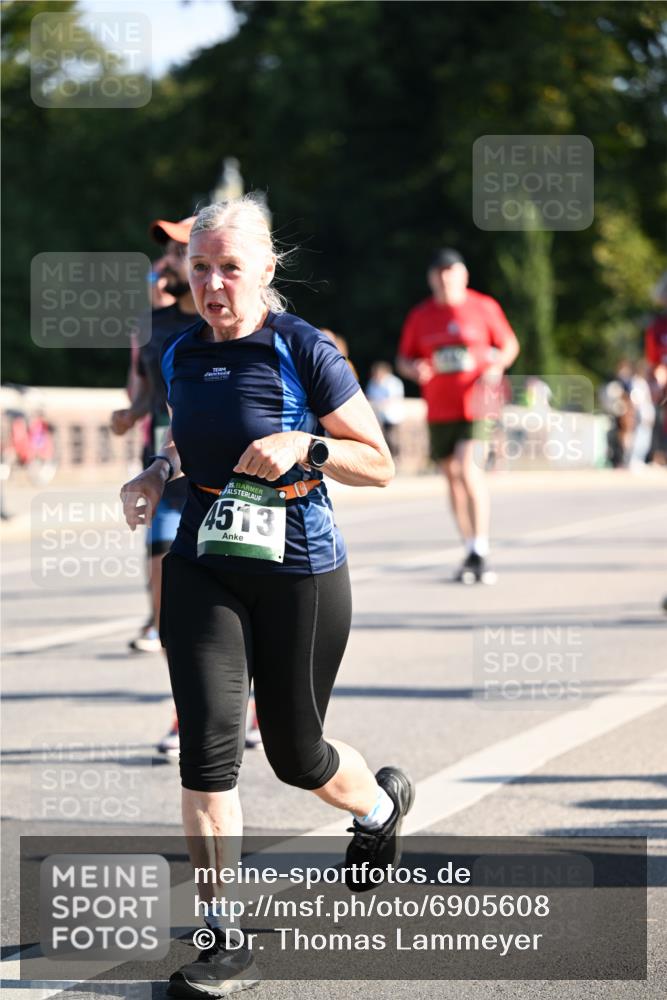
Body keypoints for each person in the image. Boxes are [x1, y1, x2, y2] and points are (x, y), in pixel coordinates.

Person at [119, 195, 414, 997]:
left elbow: (380, 462)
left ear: (266, 270)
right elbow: (195, 437)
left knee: (296, 756)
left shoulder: (302, 348)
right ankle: (225, 938)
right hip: (204, 562)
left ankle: (378, 809)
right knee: (208, 756)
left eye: (229, 268)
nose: (212, 283)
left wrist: (308, 444)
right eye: (200, 267)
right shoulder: (180, 352)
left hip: (299, 571)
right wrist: (157, 471)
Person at [111, 216, 198, 749]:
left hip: (224, 484)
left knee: (236, 607)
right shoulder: (150, 323)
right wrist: (131, 411)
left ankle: (248, 704)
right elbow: (146, 392)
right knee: (166, 602)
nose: (169, 255)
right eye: (168, 247)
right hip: (165, 479)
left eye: (179, 247)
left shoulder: (230, 325)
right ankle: (187, 713)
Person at [397, 248, 519, 584]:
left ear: (463, 276)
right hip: (439, 408)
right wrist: (415, 368)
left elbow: (509, 345)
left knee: (468, 468)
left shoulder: (484, 307)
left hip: (477, 404)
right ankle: (469, 546)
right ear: (432, 278)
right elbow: (404, 359)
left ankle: (481, 546)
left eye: (452, 272)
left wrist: (496, 365)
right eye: (440, 273)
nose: (446, 278)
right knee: (451, 476)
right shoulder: (420, 316)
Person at [365, 361, 405, 457]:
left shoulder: (393, 382)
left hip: (392, 415)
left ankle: (394, 457)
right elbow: (370, 396)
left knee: (391, 437)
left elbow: (394, 398)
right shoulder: (373, 382)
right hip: (378, 415)